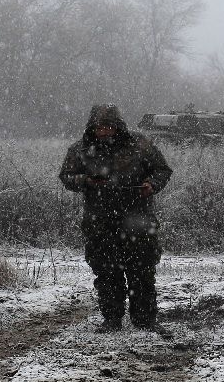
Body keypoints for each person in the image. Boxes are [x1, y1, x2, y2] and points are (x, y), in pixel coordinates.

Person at [59, 104, 173, 332]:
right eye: (100, 127)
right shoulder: (81, 149)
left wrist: (151, 185)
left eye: (109, 127)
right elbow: (66, 176)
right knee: (107, 272)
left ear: (118, 126)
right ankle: (111, 319)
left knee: (142, 271)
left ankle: (145, 320)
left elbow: (162, 170)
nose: (104, 131)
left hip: (138, 220)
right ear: (92, 127)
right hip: (100, 221)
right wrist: (86, 181)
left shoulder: (140, 145)